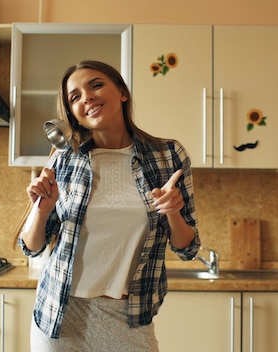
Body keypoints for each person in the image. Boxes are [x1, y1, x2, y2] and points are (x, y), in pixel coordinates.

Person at [17, 60, 201, 351]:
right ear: (73, 114)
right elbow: (32, 246)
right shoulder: (65, 159)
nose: (86, 97)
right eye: (75, 97)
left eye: (96, 85)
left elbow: (187, 247)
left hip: (128, 317)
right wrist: (41, 210)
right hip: (61, 314)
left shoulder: (168, 156)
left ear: (122, 92)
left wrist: (173, 212)